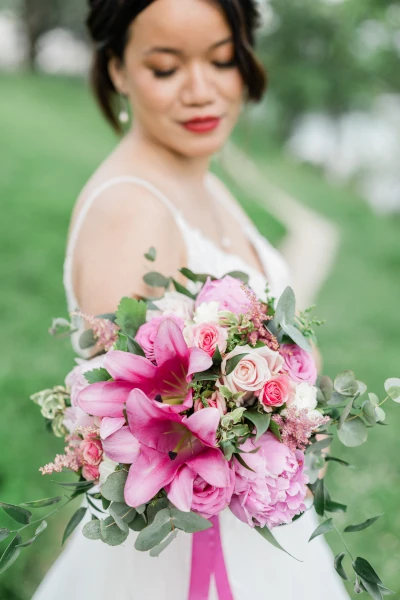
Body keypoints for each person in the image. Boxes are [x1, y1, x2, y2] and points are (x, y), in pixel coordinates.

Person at [33, 1, 350, 598]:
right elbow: (128, 421)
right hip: (177, 555)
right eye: (165, 68)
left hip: (257, 531)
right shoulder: (129, 209)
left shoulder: (200, 176)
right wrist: (259, 426)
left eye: (222, 60)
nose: (202, 90)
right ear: (118, 71)